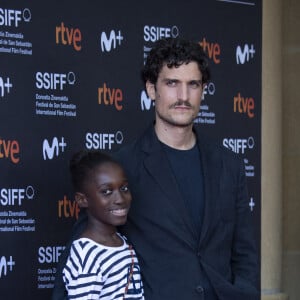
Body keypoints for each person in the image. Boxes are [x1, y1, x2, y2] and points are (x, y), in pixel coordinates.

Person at [53, 37, 259, 300]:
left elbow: (244, 254)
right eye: (172, 83)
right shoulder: (122, 168)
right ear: (151, 89)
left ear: (203, 90)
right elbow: (83, 244)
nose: (183, 96)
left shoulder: (229, 164)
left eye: (193, 84)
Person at [61, 150, 144, 299]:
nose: (120, 199)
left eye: (124, 188)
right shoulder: (87, 255)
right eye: (106, 191)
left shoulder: (122, 242)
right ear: (82, 200)